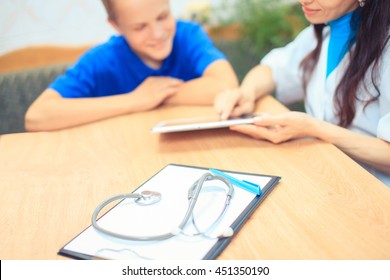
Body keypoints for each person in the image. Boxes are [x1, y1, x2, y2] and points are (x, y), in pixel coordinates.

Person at [214, 0, 390, 186]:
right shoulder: (320, 33)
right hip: (327, 178)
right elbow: (273, 70)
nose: (304, 0)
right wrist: (247, 92)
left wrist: (314, 128)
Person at [25, 0, 238, 131]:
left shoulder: (188, 35)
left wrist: (155, 96)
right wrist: (134, 100)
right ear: (116, 26)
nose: (157, 33)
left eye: (162, 16)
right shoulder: (101, 60)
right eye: (139, 27)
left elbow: (226, 85)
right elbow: (37, 116)